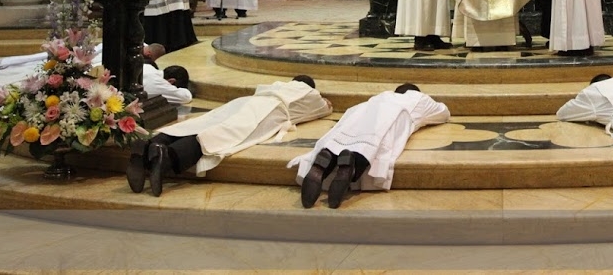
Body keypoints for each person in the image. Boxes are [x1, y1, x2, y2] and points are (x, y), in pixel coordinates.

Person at [127, 76, 330, 197]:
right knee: (219, 135)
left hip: (244, 102)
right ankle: (166, 159)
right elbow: (325, 108)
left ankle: (152, 144)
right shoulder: (309, 94)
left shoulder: (275, 85)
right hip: (269, 110)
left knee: (201, 123)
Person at [0, 63, 193, 151]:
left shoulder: (139, 66)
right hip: (85, 95)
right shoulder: (159, 81)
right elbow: (185, 97)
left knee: (9, 99)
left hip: (75, 81)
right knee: (10, 106)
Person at [290, 83, 450, 208]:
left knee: (338, 141)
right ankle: (351, 167)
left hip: (357, 114)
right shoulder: (418, 98)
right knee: (373, 145)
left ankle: (326, 159)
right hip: (393, 115)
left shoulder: (380, 96)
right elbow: (443, 113)